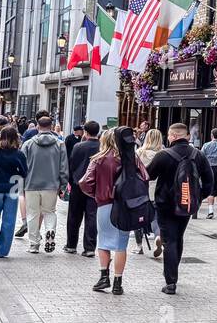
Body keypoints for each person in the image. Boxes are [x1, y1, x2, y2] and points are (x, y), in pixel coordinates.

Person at [146, 122, 214, 295]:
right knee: (178, 236)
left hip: (165, 204)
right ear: (187, 136)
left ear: (174, 136)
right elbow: (209, 179)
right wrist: (199, 198)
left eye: (169, 135)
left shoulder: (163, 155)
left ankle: (170, 282)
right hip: (187, 204)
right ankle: (173, 272)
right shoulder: (198, 155)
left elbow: (148, 175)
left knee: (169, 240)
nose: (168, 138)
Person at [79, 127, 148, 295]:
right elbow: (145, 177)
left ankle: (104, 276)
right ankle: (118, 282)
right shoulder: (132, 159)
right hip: (125, 206)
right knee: (120, 245)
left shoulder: (99, 159)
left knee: (103, 242)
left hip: (104, 205)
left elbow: (85, 182)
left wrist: (96, 194)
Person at [22, 115, 68, 253]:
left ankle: (34, 244)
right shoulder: (60, 144)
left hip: (31, 184)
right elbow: (64, 166)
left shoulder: (28, 144)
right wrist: (63, 185)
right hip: (51, 185)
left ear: (37, 126)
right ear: (52, 127)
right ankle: (50, 231)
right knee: (50, 212)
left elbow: (22, 165)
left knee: (32, 214)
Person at [0, 125, 27, 259]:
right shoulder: (19, 154)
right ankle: (1, 251)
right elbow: (24, 172)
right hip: (12, 189)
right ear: (16, 138)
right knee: (9, 221)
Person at [65, 120, 100, 256]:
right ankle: (90, 247)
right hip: (95, 186)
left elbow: (72, 164)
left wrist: (70, 181)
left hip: (78, 184)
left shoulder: (78, 147)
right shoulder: (101, 147)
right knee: (92, 216)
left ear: (85, 132)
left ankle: (71, 245)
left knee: (74, 215)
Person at [136, 127, 164, 256]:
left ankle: (139, 246)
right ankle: (157, 236)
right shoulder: (163, 154)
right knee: (155, 218)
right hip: (157, 191)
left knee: (138, 219)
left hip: (141, 190)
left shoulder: (139, 153)